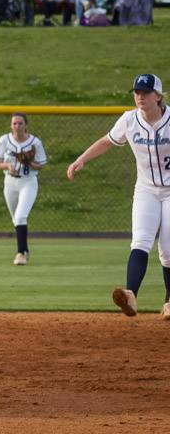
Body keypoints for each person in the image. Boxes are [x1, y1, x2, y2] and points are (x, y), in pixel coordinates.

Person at [66, 73, 170, 319]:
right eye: (137, 92)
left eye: (145, 92)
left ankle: (169, 301)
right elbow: (107, 141)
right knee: (140, 241)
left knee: (167, 249)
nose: (140, 96)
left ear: (158, 96)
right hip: (146, 189)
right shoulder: (129, 120)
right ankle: (130, 295)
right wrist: (81, 159)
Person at [0, 113, 47, 265]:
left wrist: (29, 162)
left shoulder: (35, 142)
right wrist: (8, 165)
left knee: (21, 216)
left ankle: (20, 253)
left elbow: (40, 164)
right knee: (16, 219)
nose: (17, 126)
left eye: (20, 123)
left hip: (28, 182)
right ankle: (25, 249)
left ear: (26, 125)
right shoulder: (4, 140)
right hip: (10, 183)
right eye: (14, 123)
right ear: (11, 126)